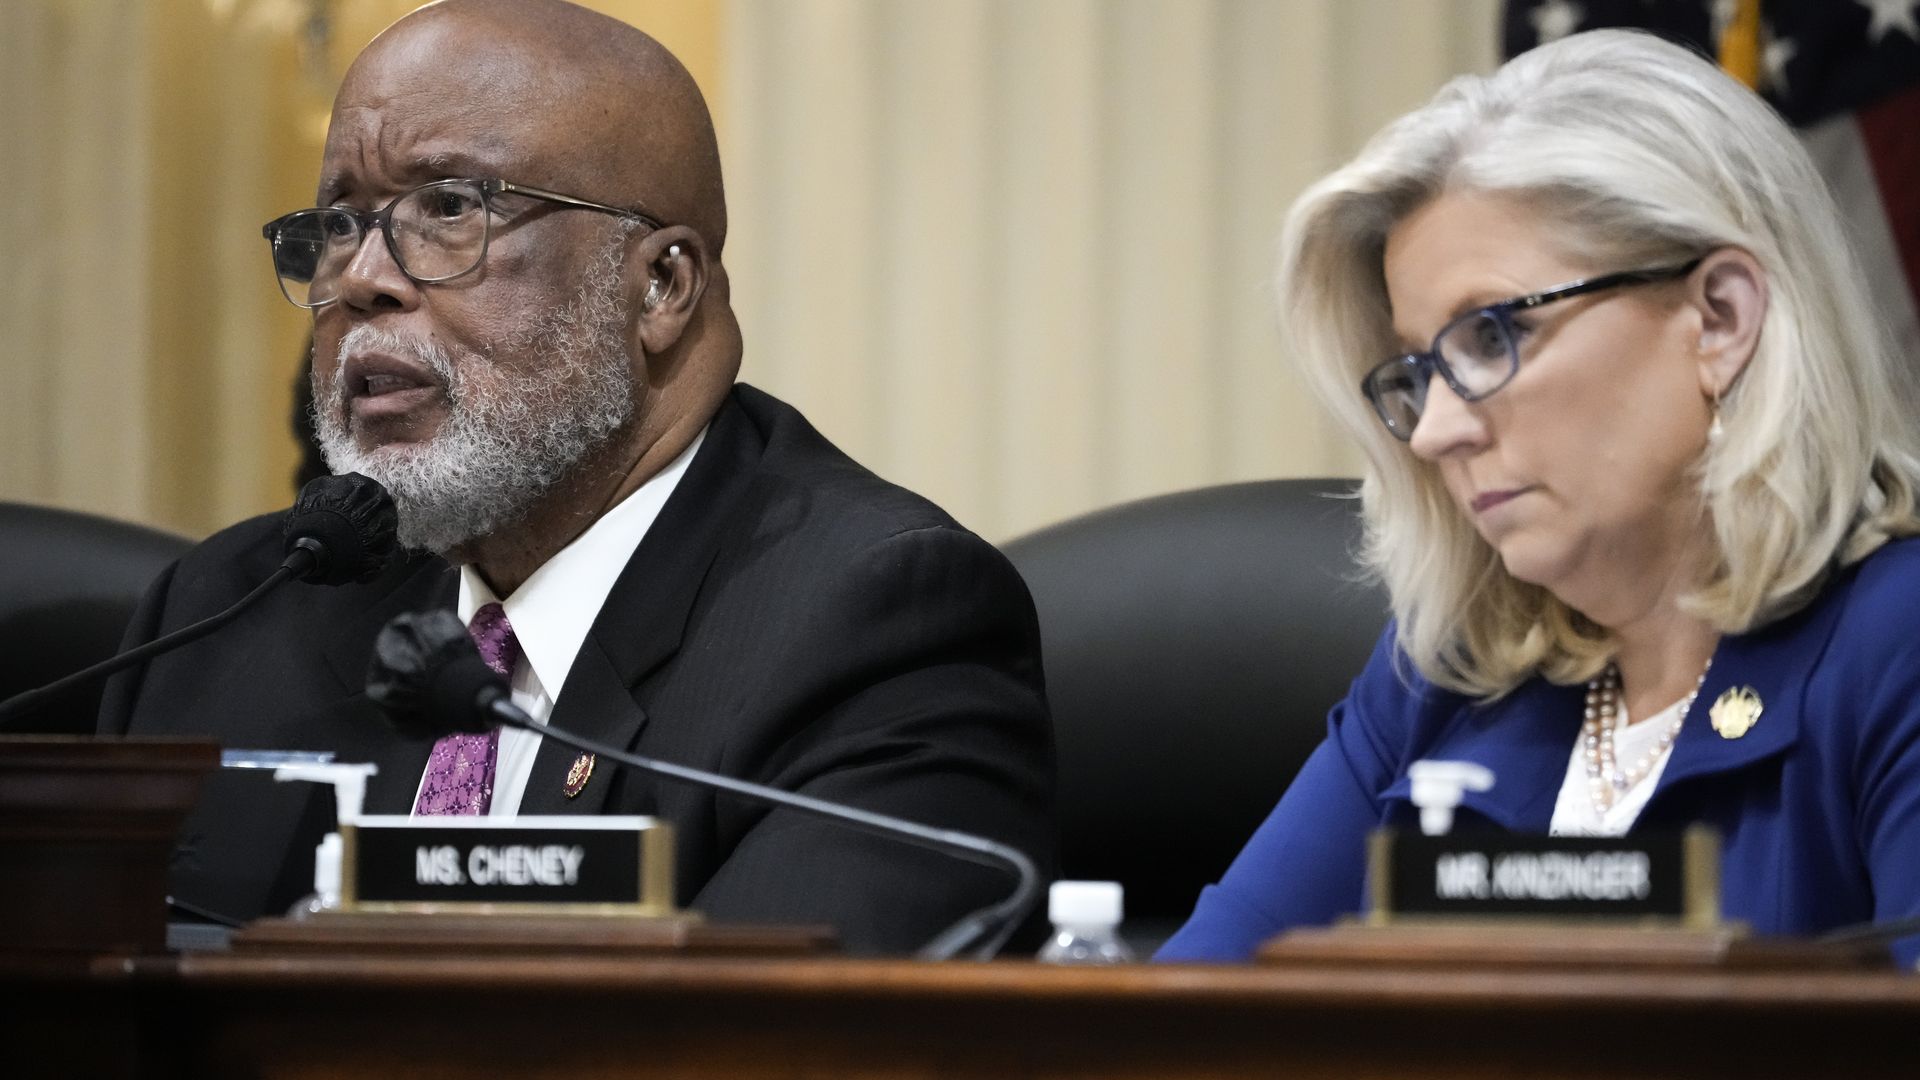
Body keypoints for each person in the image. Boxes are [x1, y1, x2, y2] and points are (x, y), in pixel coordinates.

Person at [100, 0, 1055, 956]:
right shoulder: (221, 620)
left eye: (449, 209)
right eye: (342, 221)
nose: (360, 278)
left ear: (660, 286)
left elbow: (778, 1047)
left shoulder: (877, 628)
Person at [1159, 29, 1920, 963]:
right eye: (1417, 370)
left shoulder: (1897, 645)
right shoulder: (1447, 674)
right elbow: (1181, 1023)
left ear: (1720, 318)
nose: (1435, 430)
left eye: (1488, 336)